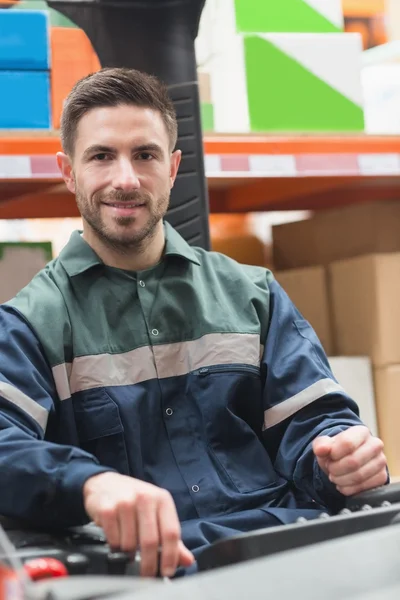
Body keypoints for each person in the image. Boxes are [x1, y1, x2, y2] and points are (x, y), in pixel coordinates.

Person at [0, 68, 388, 579]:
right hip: (142, 574)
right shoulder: (29, 324)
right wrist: (90, 484)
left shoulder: (252, 293)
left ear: (173, 166)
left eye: (145, 154)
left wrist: (344, 453)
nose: (126, 179)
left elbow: (314, 423)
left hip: (289, 550)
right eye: (101, 156)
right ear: (68, 171)